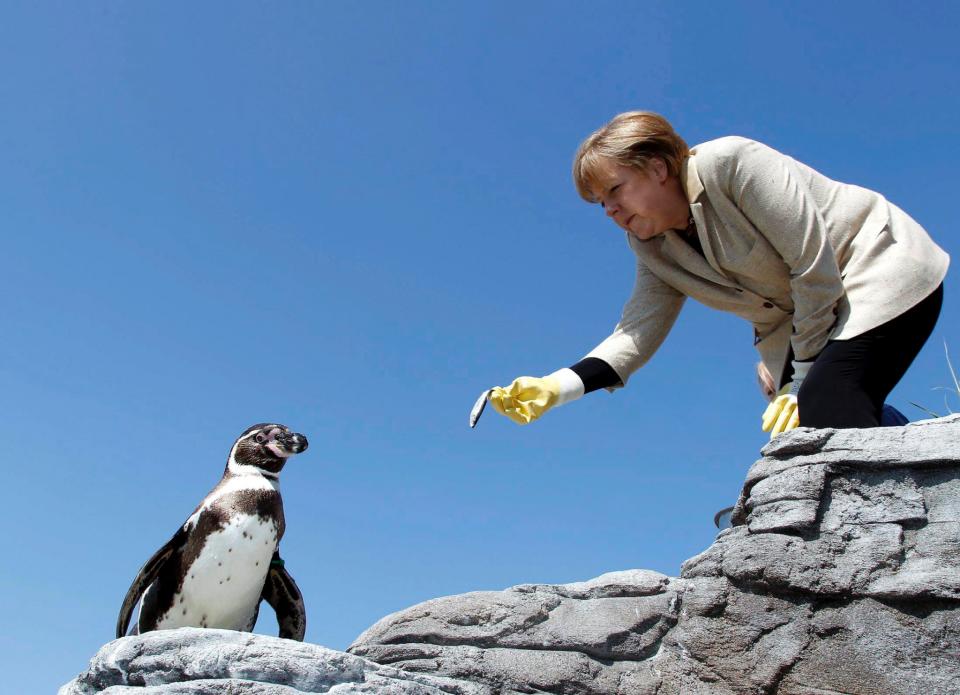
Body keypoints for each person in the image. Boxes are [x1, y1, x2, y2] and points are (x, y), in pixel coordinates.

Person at [475, 112, 948, 436]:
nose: (610, 210)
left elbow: (812, 266)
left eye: (615, 190)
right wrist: (557, 386)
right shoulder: (650, 244)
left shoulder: (731, 163)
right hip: (811, 326)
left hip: (878, 270)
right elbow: (635, 333)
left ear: (658, 167)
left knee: (823, 406)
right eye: (601, 203)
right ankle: (911, 452)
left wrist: (801, 379)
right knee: (796, 441)